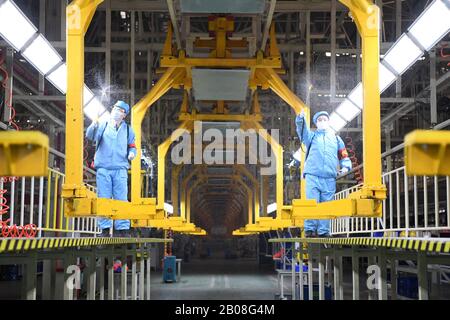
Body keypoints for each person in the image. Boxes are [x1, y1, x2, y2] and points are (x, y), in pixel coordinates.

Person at [295, 110, 352, 237]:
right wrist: (300, 119)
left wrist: (346, 167)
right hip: (313, 175)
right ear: (316, 123)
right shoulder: (311, 137)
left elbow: (344, 155)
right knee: (312, 202)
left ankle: (324, 231)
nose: (322, 121)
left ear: (328, 121)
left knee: (327, 204)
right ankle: (309, 229)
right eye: (319, 120)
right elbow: (302, 131)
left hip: (329, 177)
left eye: (324, 119)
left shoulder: (337, 139)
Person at [86, 100, 137, 237]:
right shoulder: (103, 124)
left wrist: (132, 153)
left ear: (124, 115)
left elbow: (132, 146)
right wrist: (93, 124)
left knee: (121, 199)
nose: (117, 111)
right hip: (103, 167)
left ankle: (122, 229)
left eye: (120, 110)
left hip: (120, 168)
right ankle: (104, 229)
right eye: (115, 108)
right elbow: (90, 136)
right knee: (104, 198)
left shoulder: (128, 130)